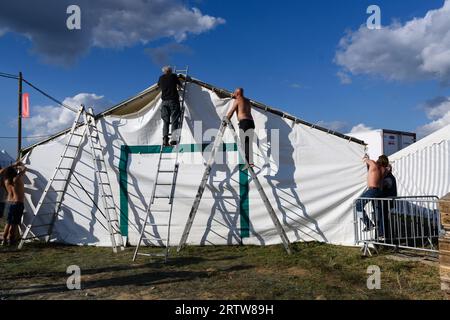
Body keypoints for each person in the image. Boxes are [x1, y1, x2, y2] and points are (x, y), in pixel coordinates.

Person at [357, 155, 389, 232]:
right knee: (379, 212)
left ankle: (368, 224)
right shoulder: (384, 170)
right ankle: (382, 233)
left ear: (379, 159)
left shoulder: (373, 164)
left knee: (357, 205)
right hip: (380, 191)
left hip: (372, 190)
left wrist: (366, 157)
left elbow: (365, 159)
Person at [225, 88, 255, 168]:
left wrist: (226, 119)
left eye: (234, 93)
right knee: (248, 143)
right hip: (251, 123)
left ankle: (247, 163)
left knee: (243, 143)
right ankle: (250, 162)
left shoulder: (238, 100)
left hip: (244, 122)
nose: (233, 94)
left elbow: (231, 111)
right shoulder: (248, 101)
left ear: (237, 93)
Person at [2, 162, 26, 245]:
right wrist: (21, 165)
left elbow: (3, 171)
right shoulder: (16, 179)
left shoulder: (6, 181)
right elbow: (24, 170)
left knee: (8, 223)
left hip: (8, 202)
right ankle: (11, 241)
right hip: (17, 203)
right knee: (14, 224)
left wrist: (14, 165)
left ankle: (4, 239)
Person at [158, 66, 182, 147]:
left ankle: (165, 139)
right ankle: (173, 139)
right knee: (174, 120)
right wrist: (178, 86)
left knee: (166, 122)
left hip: (164, 102)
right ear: (171, 71)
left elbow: (159, 86)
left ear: (164, 71)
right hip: (173, 101)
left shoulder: (161, 78)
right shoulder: (174, 76)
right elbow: (180, 85)